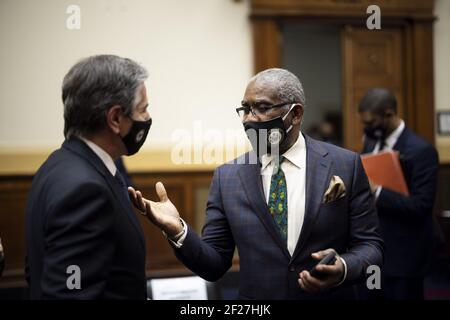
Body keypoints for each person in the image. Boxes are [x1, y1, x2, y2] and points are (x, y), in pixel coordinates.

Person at [129, 68, 384, 299]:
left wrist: (343, 268)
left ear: (295, 114)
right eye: (245, 109)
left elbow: (370, 246)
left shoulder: (345, 165)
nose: (248, 119)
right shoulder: (227, 177)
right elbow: (214, 264)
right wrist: (178, 231)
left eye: (262, 108)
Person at [25, 55, 151, 299]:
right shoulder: (85, 191)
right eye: (143, 109)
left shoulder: (56, 165)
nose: (146, 118)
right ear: (115, 119)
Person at [358, 88, 439, 300]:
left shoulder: (422, 150)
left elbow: (421, 206)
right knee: (371, 296)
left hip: (405, 256)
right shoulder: (370, 143)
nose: (366, 128)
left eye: (370, 122)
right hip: (373, 252)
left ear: (389, 114)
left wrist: (378, 192)